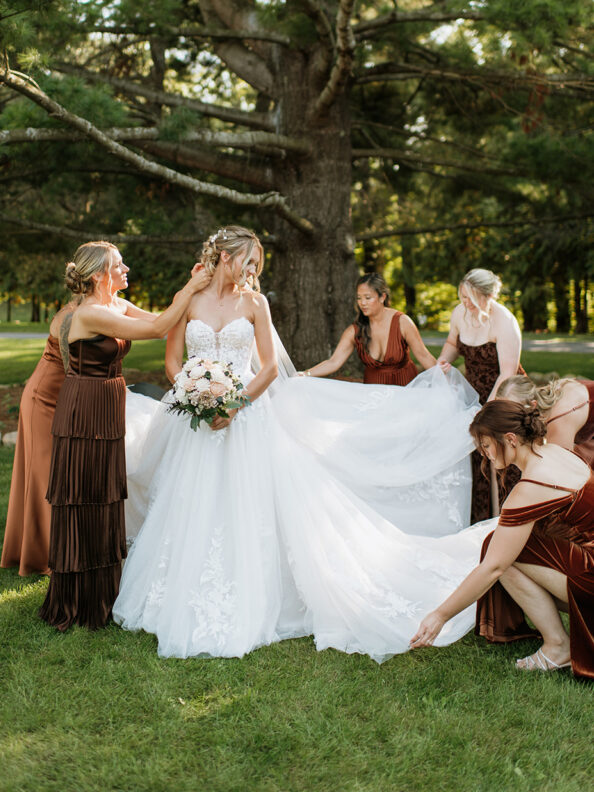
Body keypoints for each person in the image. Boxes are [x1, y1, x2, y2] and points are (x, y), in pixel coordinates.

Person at [114, 227, 492, 659]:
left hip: (245, 419)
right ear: (223, 256)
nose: (253, 270)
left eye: (258, 263)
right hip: (195, 420)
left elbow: (270, 367)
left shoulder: (255, 303)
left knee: (248, 505)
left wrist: (234, 404)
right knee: (190, 502)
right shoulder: (191, 301)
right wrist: (196, 395)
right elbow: (172, 360)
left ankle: (253, 590)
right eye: (247, 260)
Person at [39, 241, 209, 632]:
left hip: (109, 402)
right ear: (99, 274)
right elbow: (156, 328)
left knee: (105, 493)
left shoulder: (115, 304)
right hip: (85, 407)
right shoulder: (92, 313)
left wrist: (195, 291)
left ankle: (106, 589)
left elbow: (164, 317)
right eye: (119, 264)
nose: (126, 268)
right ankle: (80, 599)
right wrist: (193, 289)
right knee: (85, 494)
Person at [410, 399, 594, 679]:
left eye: (486, 445)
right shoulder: (557, 452)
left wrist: (440, 615)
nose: (484, 454)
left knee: (497, 552)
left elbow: (493, 567)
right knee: (509, 546)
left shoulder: (532, 486)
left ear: (510, 439)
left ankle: (558, 645)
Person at [437, 268, 524, 521]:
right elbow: (453, 343)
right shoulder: (459, 313)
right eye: (462, 297)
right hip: (472, 393)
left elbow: (507, 373)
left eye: (471, 299)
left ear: (487, 296)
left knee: (503, 458)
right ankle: (479, 522)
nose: (465, 303)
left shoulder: (505, 321)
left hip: (504, 395)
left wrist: (486, 411)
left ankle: (509, 521)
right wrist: (444, 360)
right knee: (477, 459)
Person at [0, 301, 77, 576]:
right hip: (42, 398)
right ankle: (41, 557)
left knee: (56, 474)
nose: (126, 269)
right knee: (43, 475)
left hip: (62, 397)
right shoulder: (71, 315)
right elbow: (73, 368)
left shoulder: (106, 306)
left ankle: (47, 547)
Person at [302, 273, 440, 385]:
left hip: (405, 387)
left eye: (368, 298)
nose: (362, 303)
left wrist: (445, 381)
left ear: (382, 297)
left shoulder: (402, 322)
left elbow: (424, 356)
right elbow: (333, 362)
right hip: (373, 392)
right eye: (359, 298)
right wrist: (305, 374)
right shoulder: (354, 331)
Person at [497, 374, 594, 469]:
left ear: (532, 405)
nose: (507, 420)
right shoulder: (544, 403)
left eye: (513, 413)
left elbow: (565, 472)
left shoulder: (558, 423)